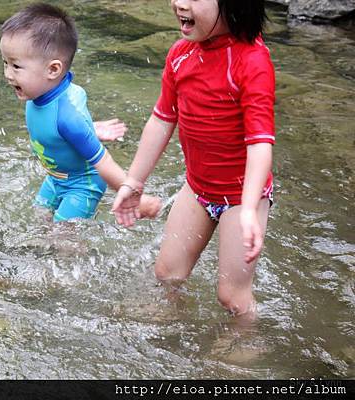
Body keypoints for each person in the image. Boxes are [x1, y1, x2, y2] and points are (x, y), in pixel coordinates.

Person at [112, 0, 275, 320]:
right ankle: (174, 323)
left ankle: (245, 341)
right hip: (198, 190)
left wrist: (249, 209)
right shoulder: (181, 54)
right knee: (167, 273)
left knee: (232, 297)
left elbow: (260, 144)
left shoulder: (251, 61)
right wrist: (133, 182)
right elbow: (161, 120)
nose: (178, 3)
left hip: (242, 199)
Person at [0, 3, 160, 222]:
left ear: (53, 69)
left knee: (63, 236)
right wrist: (90, 128)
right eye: (5, 63)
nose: (7, 74)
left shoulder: (67, 117)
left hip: (83, 184)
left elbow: (103, 162)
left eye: (16, 66)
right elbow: (50, 129)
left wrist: (135, 197)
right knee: (37, 219)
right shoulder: (37, 93)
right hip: (57, 178)